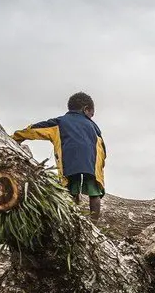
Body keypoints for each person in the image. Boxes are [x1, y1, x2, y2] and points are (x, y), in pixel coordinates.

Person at [12, 92, 106, 220]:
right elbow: (102, 149)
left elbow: (35, 129)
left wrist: (15, 138)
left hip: (70, 165)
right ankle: (94, 224)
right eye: (91, 114)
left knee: (69, 191)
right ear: (86, 109)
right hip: (91, 165)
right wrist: (100, 169)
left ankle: (72, 219)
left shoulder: (59, 122)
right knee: (94, 194)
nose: (91, 117)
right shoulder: (94, 127)